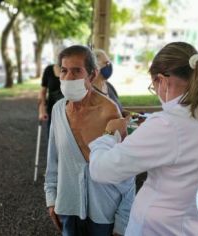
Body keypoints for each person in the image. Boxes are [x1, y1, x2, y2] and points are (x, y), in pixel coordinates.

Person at [88, 41, 198, 236]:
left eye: (153, 87)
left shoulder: (168, 124)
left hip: (162, 229)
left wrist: (109, 135)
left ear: (162, 80)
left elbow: (102, 170)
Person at [44, 45, 135, 236]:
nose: (69, 77)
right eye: (64, 71)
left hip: (104, 211)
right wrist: (51, 198)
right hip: (68, 206)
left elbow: (126, 171)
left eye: (77, 71)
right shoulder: (58, 110)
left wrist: (122, 220)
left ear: (92, 75)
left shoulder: (109, 111)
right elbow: (53, 159)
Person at [38, 63, 64, 133]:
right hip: (52, 113)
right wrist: (42, 109)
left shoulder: (73, 69)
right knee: (51, 139)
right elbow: (42, 92)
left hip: (70, 114)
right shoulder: (49, 70)